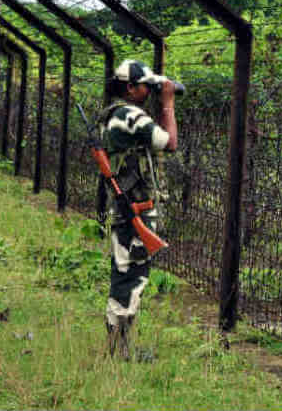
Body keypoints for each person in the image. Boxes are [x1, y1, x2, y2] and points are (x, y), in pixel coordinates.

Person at [98, 59, 178, 359]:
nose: (150, 90)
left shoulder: (114, 115)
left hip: (126, 208)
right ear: (130, 88)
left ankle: (120, 346)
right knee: (132, 277)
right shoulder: (131, 115)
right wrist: (167, 102)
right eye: (146, 85)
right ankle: (120, 351)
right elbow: (168, 142)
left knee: (124, 273)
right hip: (136, 210)